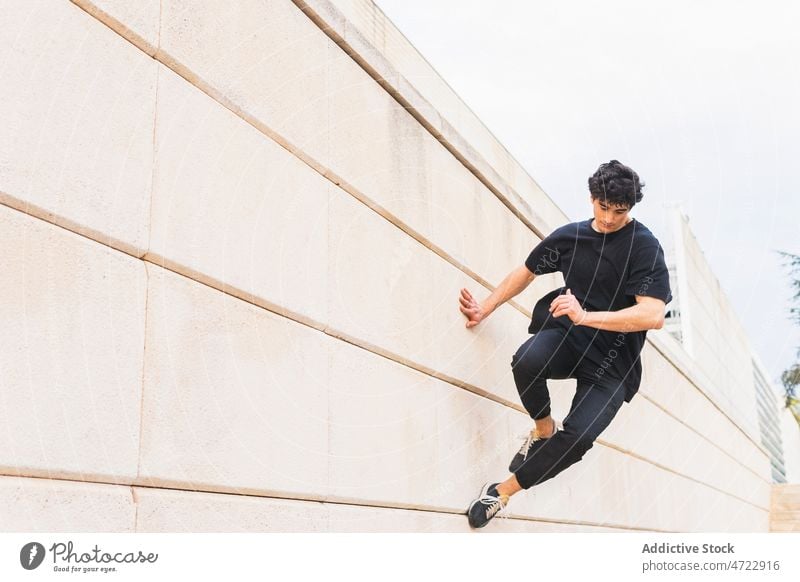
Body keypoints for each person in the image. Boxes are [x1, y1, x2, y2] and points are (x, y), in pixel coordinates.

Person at [459, 160, 672, 529]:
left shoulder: (644, 247)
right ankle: (543, 430)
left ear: (631, 209)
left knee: (578, 439)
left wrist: (586, 315)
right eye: (602, 207)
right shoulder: (571, 238)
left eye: (618, 211)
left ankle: (501, 491)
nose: (608, 219)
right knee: (526, 360)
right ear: (592, 198)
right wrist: (485, 308)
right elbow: (525, 271)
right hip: (570, 340)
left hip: (614, 364)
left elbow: (653, 314)